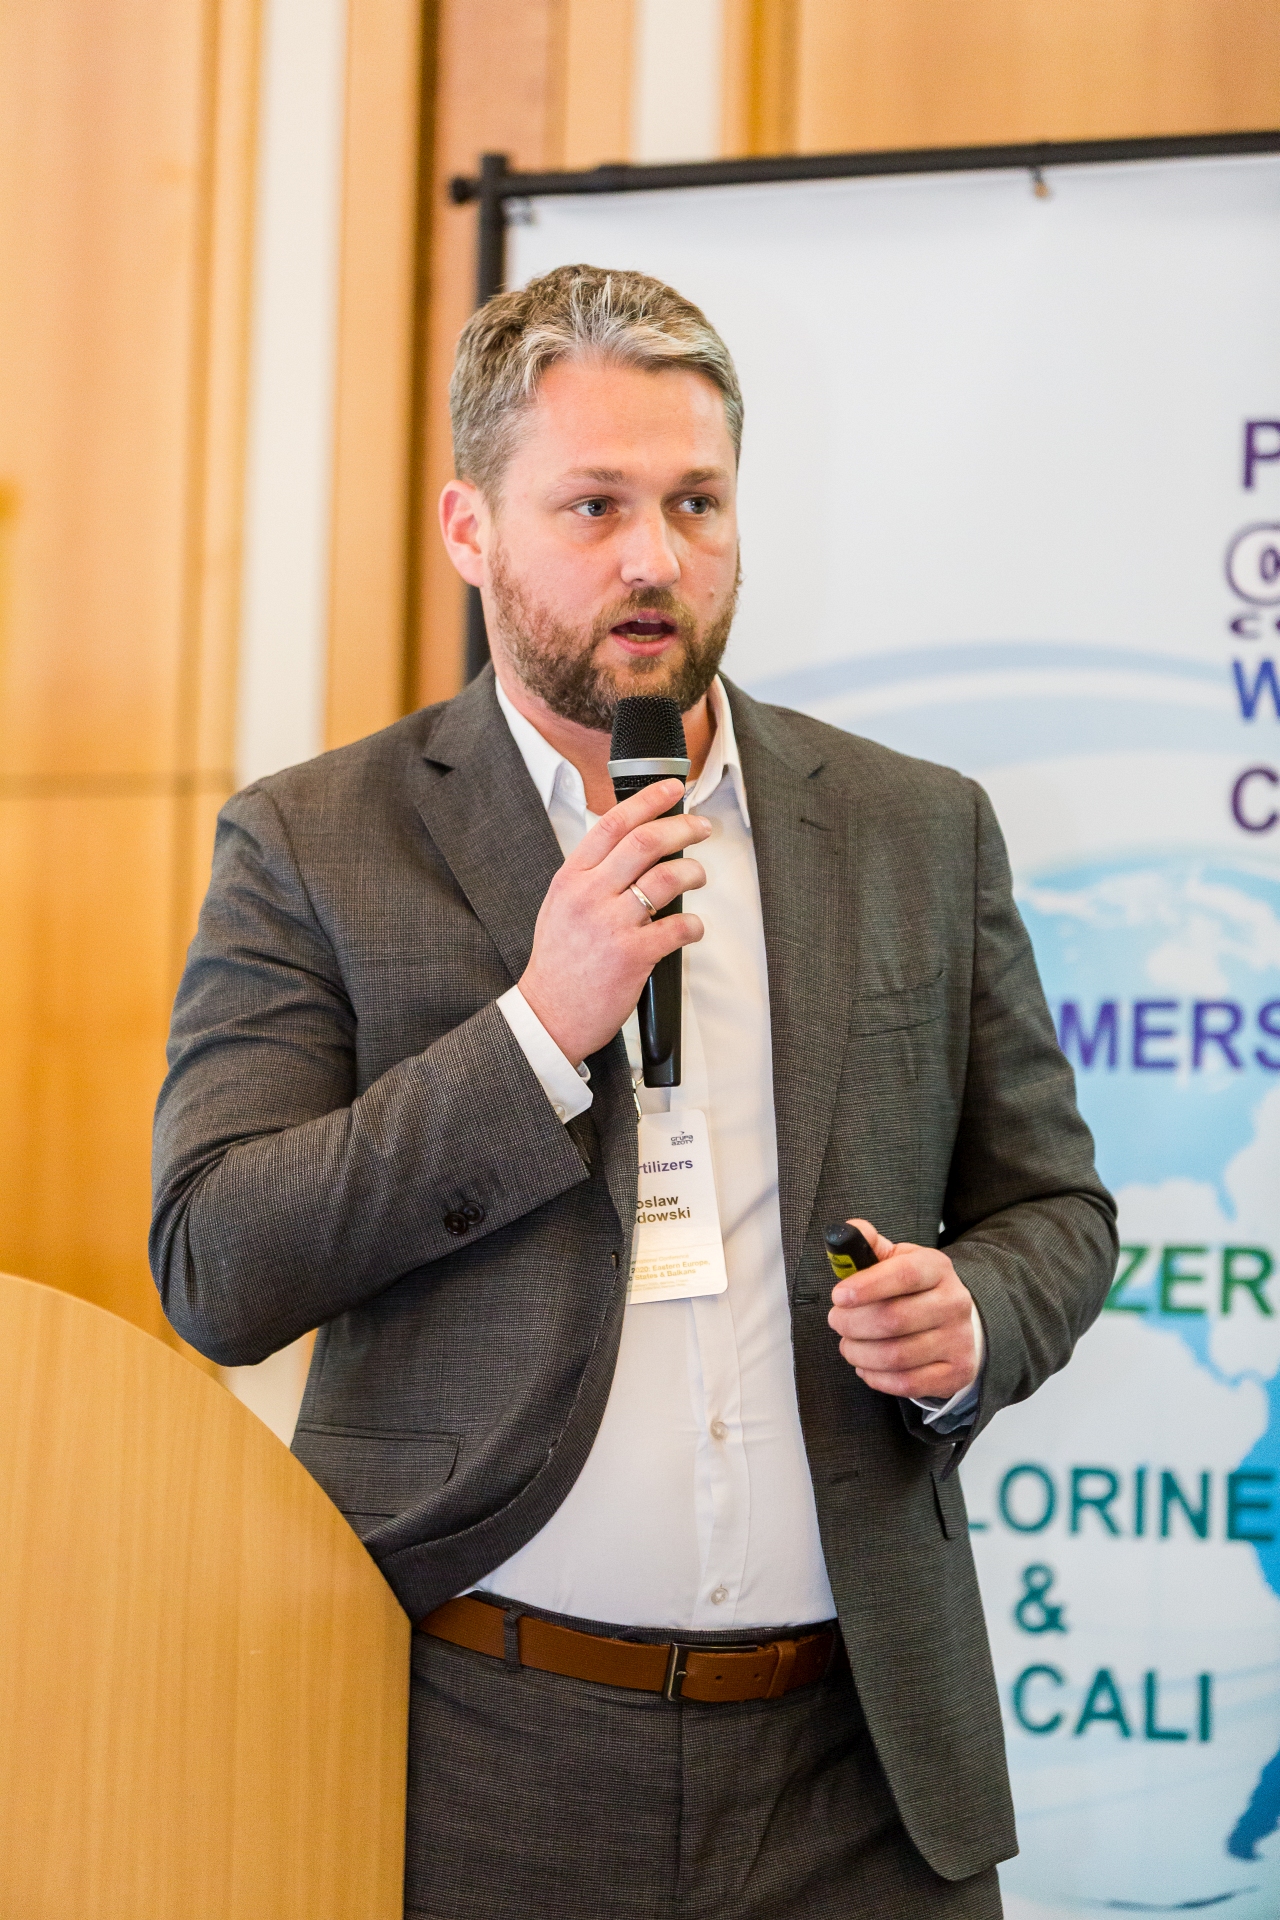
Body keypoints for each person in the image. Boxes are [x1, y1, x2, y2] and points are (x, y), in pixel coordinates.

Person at [151, 264, 1117, 1920]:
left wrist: (977, 1322)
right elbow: (216, 1266)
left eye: (696, 502)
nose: (655, 557)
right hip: (470, 1751)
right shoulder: (316, 842)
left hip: (856, 1765)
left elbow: (1057, 1208)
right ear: (470, 528)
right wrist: (539, 1028)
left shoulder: (916, 827)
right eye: (594, 505)